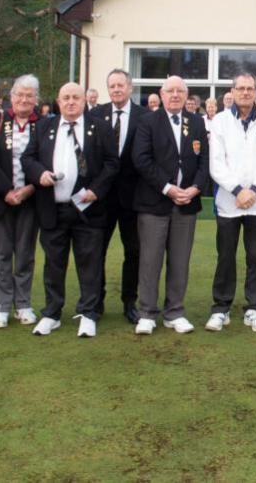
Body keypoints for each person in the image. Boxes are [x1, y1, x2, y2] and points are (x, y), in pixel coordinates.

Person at [22, 82, 119, 338]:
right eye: (66, 98)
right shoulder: (44, 126)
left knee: (90, 264)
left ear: (84, 100)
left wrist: (97, 190)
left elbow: (112, 163)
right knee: (54, 264)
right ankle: (52, 313)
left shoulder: (100, 127)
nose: (71, 102)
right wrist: (40, 174)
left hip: (89, 208)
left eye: (76, 97)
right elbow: (27, 159)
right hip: (53, 209)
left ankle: (88, 314)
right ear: (58, 101)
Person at [132, 75, 209, 335]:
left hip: (187, 204)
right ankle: (147, 312)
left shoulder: (196, 121)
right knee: (150, 260)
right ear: (162, 94)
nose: (175, 95)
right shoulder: (147, 121)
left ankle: (174, 311)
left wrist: (195, 189)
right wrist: (168, 188)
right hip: (154, 203)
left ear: (187, 96)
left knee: (179, 261)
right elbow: (141, 159)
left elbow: (204, 161)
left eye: (180, 91)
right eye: (170, 91)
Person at [205, 73, 256, 333]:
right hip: (229, 202)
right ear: (233, 91)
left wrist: (255, 190)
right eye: (241, 88)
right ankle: (221, 308)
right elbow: (216, 163)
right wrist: (238, 190)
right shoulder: (220, 122)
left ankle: (254, 309)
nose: (246, 93)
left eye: (250, 89)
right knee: (225, 256)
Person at [0, 74, 41, 329]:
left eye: (29, 95)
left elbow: (48, 160)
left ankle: (23, 303)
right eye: (20, 94)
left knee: (25, 254)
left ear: (36, 99)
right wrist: (7, 191)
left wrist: (28, 189)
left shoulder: (45, 123)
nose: (24, 99)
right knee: (1, 254)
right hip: (2, 200)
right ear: (12, 97)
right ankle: (2, 305)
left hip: (32, 199)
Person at [90, 69, 146, 323]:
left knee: (133, 251)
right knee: (96, 250)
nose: (116, 90)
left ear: (130, 87)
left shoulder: (145, 117)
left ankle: (130, 302)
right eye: (111, 86)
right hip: (100, 198)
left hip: (132, 199)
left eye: (120, 85)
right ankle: (95, 302)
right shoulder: (95, 115)